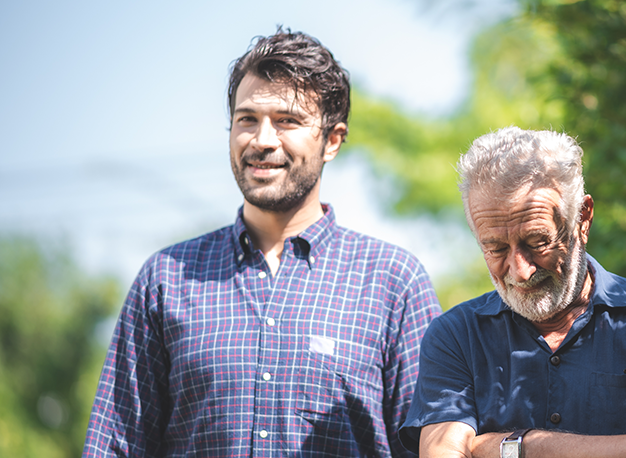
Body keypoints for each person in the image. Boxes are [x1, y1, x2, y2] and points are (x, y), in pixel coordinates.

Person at [82, 29, 441, 458]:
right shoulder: (166, 279)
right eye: (247, 119)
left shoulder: (393, 282)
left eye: (287, 121)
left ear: (331, 140)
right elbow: (114, 446)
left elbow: (432, 446)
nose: (262, 140)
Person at [399, 127, 626, 458]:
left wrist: (514, 447)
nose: (520, 270)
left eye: (537, 242)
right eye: (496, 248)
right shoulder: (455, 336)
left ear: (583, 220)